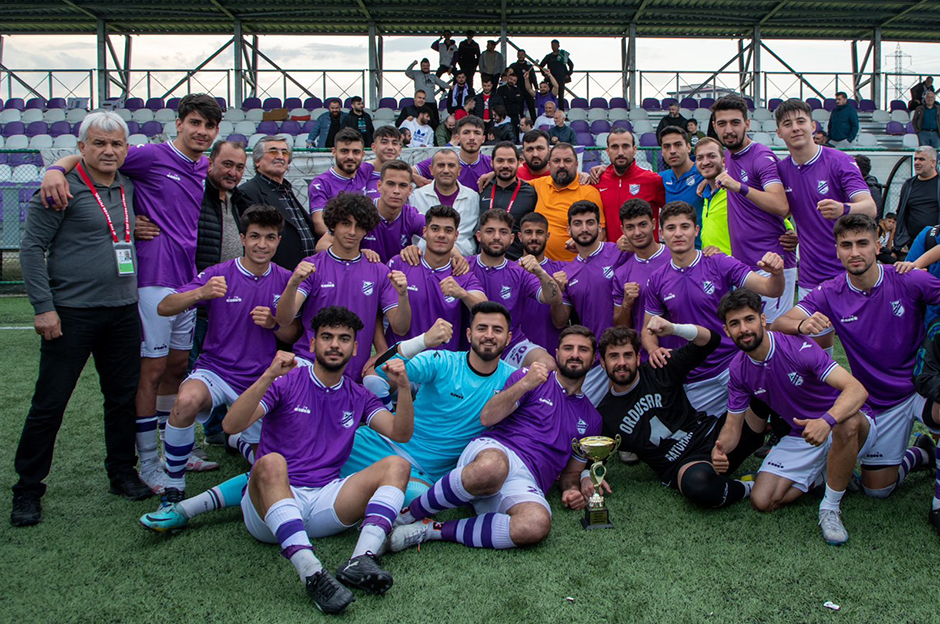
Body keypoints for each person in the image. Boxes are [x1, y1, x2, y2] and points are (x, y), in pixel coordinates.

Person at [39, 92, 222, 494]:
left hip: (186, 278)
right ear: (179, 124)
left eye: (209, 126)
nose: (202, 132)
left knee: (176, 367)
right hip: (152, 276)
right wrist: (55, 168)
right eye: (195, 123)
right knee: (150, 372)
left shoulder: (202, 165)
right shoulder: (152, 156)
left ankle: (174, 450)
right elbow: (94, 159)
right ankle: (149, 462)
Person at [224, 307, 414, 614]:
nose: (335, 345)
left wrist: (403, 388)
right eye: (327, 337)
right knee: (271, 462)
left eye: (344, 339)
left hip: (324, 499)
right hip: (270, 509)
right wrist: (268, 375)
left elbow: (400, 433)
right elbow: (232, 425)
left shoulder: (358, 395)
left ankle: (361, 558)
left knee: (398, 465)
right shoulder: (286, 382)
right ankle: (311, 572)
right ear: (313, 344)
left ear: (355, 348)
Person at [13, 111, 150, 526]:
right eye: (99, 143)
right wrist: (43, 307)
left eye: (116, 144)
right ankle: (28, 488)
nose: (108, 151)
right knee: (50, 402)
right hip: (71, 313)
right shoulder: (60, 187)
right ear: (81, 148)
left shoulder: (128, 185)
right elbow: (31, 249)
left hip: (122, 311)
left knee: (122, 398)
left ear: (126, 149)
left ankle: (121, 473)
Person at [140, 205, 298, 515]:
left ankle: (238, 440)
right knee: (186, 401)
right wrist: (200, 293)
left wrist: (274, 324)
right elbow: (164, 307)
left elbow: (293, 333)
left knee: (268, 463)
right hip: (216, 371)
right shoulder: (218, 273)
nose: (262, 244)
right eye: (255, 236)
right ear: (242, 238)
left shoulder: (285, 279)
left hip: (259, 379)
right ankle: (174, 485)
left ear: (278, 241)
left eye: (269, 238)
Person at [772, 214, 940, 505]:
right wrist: (802, 325)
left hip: (919, 388)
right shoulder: (830, 292)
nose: (854, 252)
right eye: (846, 245)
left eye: (862, 243)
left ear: (877, 245)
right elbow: (779, 323)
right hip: (881, 401)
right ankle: (921, 453)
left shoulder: (907, 277)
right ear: (837, 251)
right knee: (877, 490)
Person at [388, 326, 602, 553]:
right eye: (568, 348)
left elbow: (571, 473)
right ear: (557, 353)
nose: (575, 354)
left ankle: (432, 530)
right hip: (496, 451)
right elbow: (488, 417)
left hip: (527, 479)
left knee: (536, 524)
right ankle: (408, 514)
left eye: (583, 350)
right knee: (493, 467)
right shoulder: (532, 378)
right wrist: (525, 384)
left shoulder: (592, 418)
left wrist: (571, 489)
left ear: (593, 358)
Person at [718, 289, 876, 545]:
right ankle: (830, 474)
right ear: (727, 331)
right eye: (734, 324)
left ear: (763, 319)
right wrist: (719, 450)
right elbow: (732, 426)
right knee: (762, 500)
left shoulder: (797, 347)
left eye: (749, 319)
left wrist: (826, 420)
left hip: (844, 425)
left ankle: (830, 508)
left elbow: (857, 390)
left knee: (846, 423)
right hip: (801, 434)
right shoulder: (738, 369)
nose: (744, 329)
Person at [352, 304, 517, 499]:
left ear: (508, 338)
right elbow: (381, 369)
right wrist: (424, 340)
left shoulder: (513, 380)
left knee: (410, 499)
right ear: (469, 334)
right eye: (482, 328)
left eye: (497, 330)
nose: (489, 335)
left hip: (421, 470)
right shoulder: (443, 362)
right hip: (379, 444)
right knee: (327, 455)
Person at [596, 320, 766, 508]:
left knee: (765, 386)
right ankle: (749, 486)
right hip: (686, 465)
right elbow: (591, 460)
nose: (621, 363)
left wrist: (673, 328)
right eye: (614, 356)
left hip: (717, 436)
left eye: (628, 355)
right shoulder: (606, 415)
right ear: (603, 362)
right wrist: (587, 476)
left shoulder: (659, 368)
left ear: (637, 358)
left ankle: (785, 449)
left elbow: (711, 340)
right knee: (699, 486)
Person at [643, 201, 785, 417]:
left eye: (685, 227)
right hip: (695, 375)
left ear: (696, 230)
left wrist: (777, 273)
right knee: (708, 434)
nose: (678, 233)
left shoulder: (718, 262)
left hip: (733, 364)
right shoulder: (657, 279)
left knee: (760, 422)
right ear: (661, 234)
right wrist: (653, 349)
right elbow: (647, 329)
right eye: (671, 228)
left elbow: (771, 289)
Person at [774, 99, 877, 355]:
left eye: (801, 121)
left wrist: (844, 209)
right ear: (779, 133)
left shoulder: (839, 161)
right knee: (818, 355)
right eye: (787, 124)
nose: (795, 128)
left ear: (813, 126)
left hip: (852, 273)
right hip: (812, 276)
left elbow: (870, 207)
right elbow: (780, 207)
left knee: (869, 350)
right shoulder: (782, 170)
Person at [275, 193, 412, 383]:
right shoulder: (312, 266)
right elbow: (283, 319)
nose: (352, 232)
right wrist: (292, 285)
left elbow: (401, 328)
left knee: (378, 385)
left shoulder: (379, 271)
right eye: (346, 224)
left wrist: (403, 295)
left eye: (359, 226)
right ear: (333, 226)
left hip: (355, 372)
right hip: (310, 363)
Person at [188, 140, 251, 449]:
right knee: (195, 366)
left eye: (239, 167)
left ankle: (219, 429)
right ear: (210, 162)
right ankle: (195, 436)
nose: (233, 172)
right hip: (201, 299)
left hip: (231, 301)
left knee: (224, 361)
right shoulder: (195, 194)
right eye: (227, 164)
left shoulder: (237, 199)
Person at [711, 94, 795, 324]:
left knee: (772, 330)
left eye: (735, 123)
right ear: (715, 126)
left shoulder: (761, 157)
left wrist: (739, 187)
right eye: (722, 124)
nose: (729, 130)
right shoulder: (729, 154)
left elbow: (781, 206)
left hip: (771, 262)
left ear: (747, 124)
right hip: (745, 263)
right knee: (749, 331)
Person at [551, 200, 631, 402]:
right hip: (596, 359)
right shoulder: (568, 272)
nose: (584, 228)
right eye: (578, 223)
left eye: (590, 222)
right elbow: (560, 321)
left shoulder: (620, 251)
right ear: (569, 229)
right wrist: (556, 294)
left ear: (600, 227)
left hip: (628, 351)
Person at [385, 205, 487, 351]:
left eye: (448, 230)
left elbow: (486, 311)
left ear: (456, 236)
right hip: (402, 359)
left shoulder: (462, 274)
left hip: (443, 361)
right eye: (435, 229)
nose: (441, 235)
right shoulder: (400, 264)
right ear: (424, 232)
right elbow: (397, 327)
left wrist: (463, 294)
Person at [470, 209, 562, 369]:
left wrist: (540, 272)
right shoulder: (463, 266)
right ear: (479, 236)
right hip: (471, 344)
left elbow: (554, 298)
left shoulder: (519, 272)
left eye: (503, 232)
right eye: (490, 231)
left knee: (546, 364)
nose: (496, 237)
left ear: (512, 238)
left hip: (510, 345)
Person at [239, 135, 318, 271]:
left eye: (284, 153)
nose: (280, 157)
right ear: (257, 161)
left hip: (305, 273)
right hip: (276, 275)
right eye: (273, 152)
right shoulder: (248, 192)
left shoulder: (286, 190)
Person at [611, 200, 674, 356]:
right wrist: (626, 304)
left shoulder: (676, 257)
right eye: (630, 227)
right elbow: (621, 327)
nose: (637, 232)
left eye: (642, 224)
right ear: (623, 230)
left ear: (654, 224)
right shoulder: (621, 273)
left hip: (684, 351)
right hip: (648, 357)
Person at [531, 142, 604, 261]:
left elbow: (601, 233)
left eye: (567, 161)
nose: (561, 165)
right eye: (556, 161)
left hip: (575, 266)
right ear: (549, 164)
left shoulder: (588, 192)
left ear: (576, 164)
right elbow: (512, 183)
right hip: (542, 265)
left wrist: (585, 248)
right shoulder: (539, 184)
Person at [593, 128, 666, 244]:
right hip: (611, 253)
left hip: (644, 253)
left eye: (625, 146)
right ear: (607, 151)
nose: (620, 152)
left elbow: (671, 213)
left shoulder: (652, 180)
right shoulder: (597, 180)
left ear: (634, 150)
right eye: (615, 147)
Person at [517, 212, 569, 357]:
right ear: (520, 236)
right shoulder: (509, 270)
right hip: (515, 353)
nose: (534, 237)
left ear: (547, 236)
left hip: (551, 349)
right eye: (528, 232)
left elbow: (560, 322)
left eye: (539, 232)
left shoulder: (561, 270)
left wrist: (558, 293)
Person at [411, 150, 481, 255]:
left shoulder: (473, 198)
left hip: (464, 260)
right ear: (431, 170)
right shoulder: (415, 197)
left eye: (451, 166)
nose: (446, 170)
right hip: (424, 260)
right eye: (441, 165)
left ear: (459, 170)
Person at [308, 128, 375, 237]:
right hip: (339, 243)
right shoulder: (321, 183)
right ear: (334, 152)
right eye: (344, 151)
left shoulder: (364, 170)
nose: (350, 157)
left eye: (356, 152)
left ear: (363, 155)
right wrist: (345, 242)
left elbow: (383, 161)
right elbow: (319, 224)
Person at [479, 142, 538, 259]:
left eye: (511, 161)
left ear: (518, 163)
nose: (505, 165)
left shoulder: (531, 192)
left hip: (516, 261)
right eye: (500, 161)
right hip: (484, 260)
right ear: (492, 162)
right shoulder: (483, 187)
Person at [362, 160, 425, 262]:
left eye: (402, 185)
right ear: (379, 186)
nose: (396, 191)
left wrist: (415, 250)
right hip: (365, 270)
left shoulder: (412, 216)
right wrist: (357, 253)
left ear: (410, 190)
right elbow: (332, 242)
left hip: (399, 271)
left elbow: (440, 239)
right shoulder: (362, 212)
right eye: (391, 184)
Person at [416, 116, 493, 190]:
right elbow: (410, 171)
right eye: (466, 132)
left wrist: (495, 174)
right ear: (458, 138)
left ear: (483, 139)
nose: (472, 137)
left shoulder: (491, 163)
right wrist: (415, 177)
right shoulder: (442, 161)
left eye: (477, 133)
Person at [659, 127, 704, 243]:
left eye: (678, 145)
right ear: (662, 152)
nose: (672, 151)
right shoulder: (659, 179)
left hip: (703, 248)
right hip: (673, 248)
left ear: (688, 147)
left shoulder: (704, 174)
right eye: (667, 146)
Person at [892, 146, 940, 253]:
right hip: (913, 244)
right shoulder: (908, 185)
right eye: (915, 159)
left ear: (933, 163)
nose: (917, 162)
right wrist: (901, 240)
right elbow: (901, 213)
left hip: (936, 243)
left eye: (922, 159)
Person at [695, 137, 732, 255]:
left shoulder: (734, 190)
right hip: (710, 264)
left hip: (735, 264)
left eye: (711, 156)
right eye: (700, 158)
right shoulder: (705, 193)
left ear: (724, 161)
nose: (705, 162)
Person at [364, 125, 404, 202]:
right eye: (384, 142)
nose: (390, 147)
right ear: (374, 147)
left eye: (394, 143)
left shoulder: (404, 177)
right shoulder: (361, 173)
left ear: (400, 150)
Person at [540, 40, 573, 109]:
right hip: (551, 79)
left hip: (561, 79)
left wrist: (568, 74)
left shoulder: (563, 55)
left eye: (555, 45)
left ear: (558, 46)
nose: (553, 47)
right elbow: (541, 66)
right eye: (552, 45)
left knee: (561, 97)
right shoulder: (549, 56)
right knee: (550, 96)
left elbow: (571, 65)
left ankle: (561, 112)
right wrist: (545, 74)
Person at [509, 49, 538, 121]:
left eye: (522, 54)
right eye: (519, 54)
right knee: (520, 108)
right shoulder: (513, 66)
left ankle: (534, 122)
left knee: (531, 107)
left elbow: (533, 77)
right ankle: (521, 123)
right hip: (518, 90)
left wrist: (536, 87)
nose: (521, 56)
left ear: (525, 55)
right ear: (517, 55)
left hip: (528, 90)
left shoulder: (529, 66)